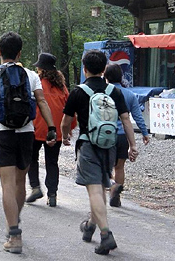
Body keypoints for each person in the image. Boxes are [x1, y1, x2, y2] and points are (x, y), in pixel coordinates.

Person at [0, 31, 57, 254]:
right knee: (20, 183)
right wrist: (51, 128)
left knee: (7, 185)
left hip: (3, 133)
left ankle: (14, 235)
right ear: (19, 53)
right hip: (26, 132)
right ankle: (14, 224)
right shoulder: (31, 75)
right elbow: (41, 102)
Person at [61, 49, 138, 255]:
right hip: (109, 146)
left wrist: (65, 136)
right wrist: (133, 145)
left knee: (94, 190)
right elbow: (125, 120)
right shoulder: (115, 91)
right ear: (104, 69)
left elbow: (66, 122)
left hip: (88, 145)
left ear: (84, 69)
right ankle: (90, 226)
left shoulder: (78, 91)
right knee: (101, 187)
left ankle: (106, 235)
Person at [25, 52, 76, 207]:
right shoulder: (62, 87)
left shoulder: (36, 83)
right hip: (57, 130)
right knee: (52, 162)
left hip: (37, 128)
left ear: (40, 68)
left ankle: (35, 187)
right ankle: (52, 195)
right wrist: (68, 131)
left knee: (31, 159)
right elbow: (69, 108)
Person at [104, 64, 150, 207]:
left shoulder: (103, 93)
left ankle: (111, 187)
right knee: (119, 167)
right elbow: (137, 116)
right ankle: (116, 195)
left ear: (106, 77)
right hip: (123, 135)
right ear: (121, 77)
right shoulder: (129, 95)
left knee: (106, 167)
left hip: (106, 135)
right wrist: (144, 133)